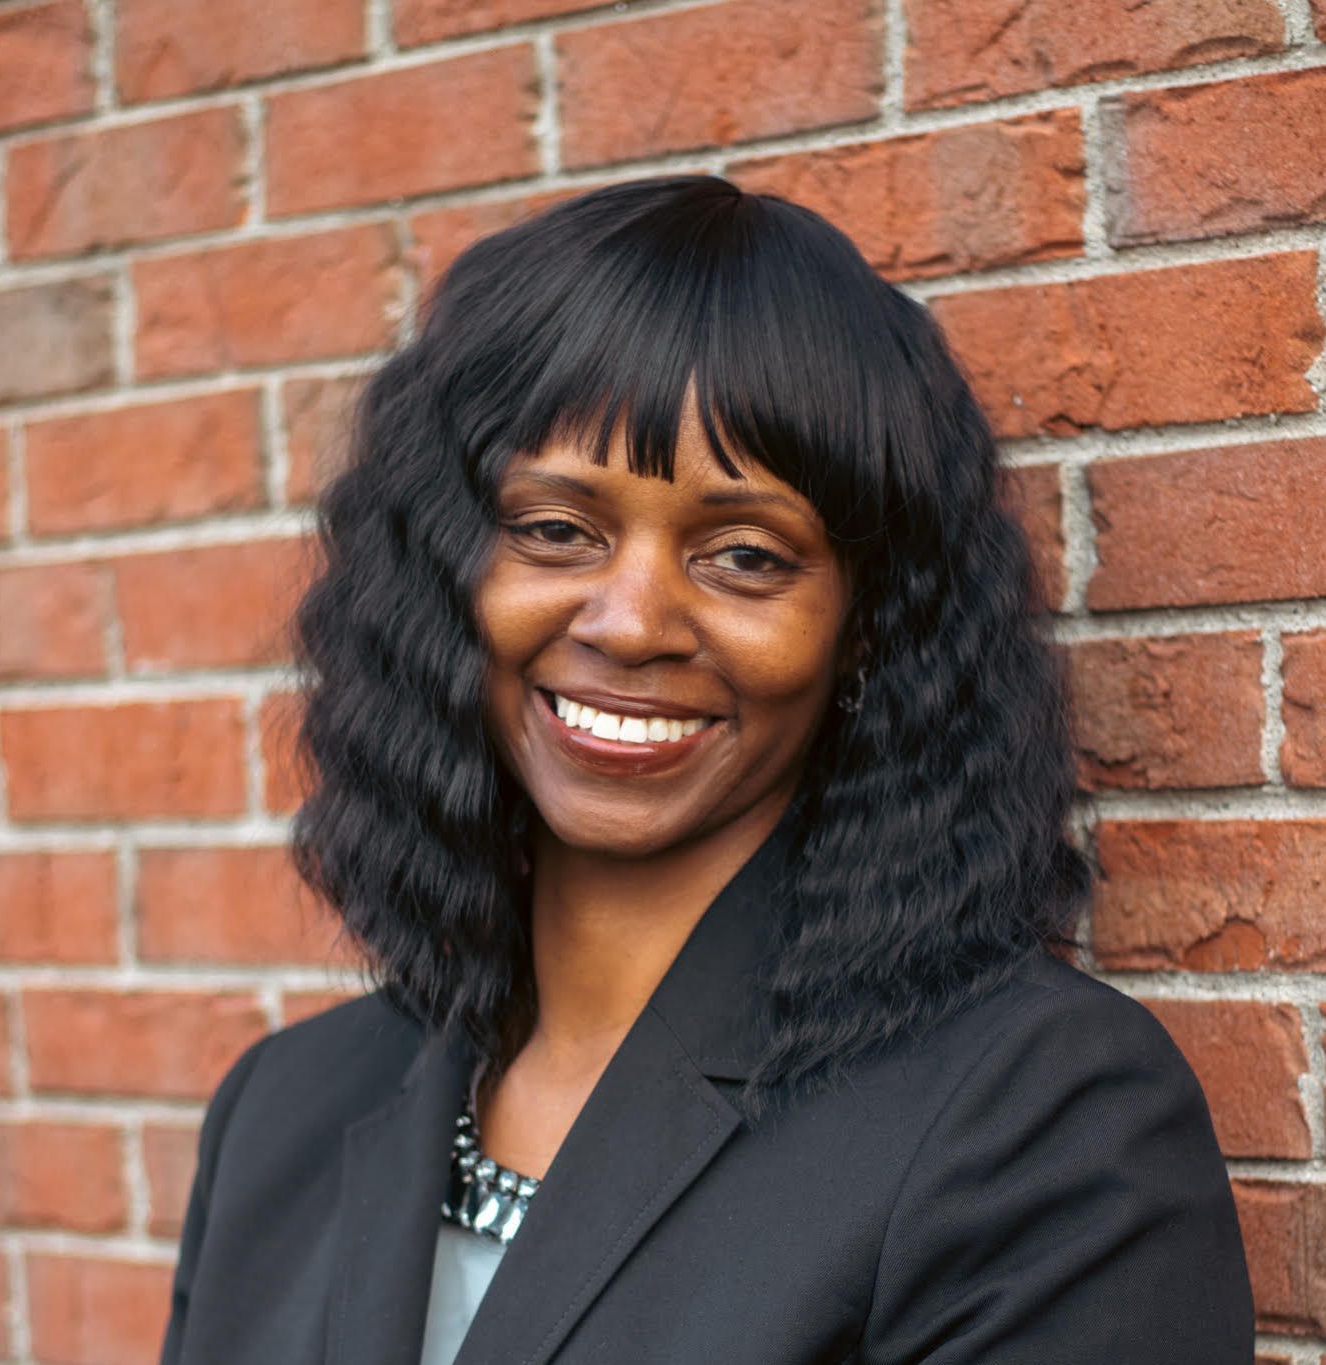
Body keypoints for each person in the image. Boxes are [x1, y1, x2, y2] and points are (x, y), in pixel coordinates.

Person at [158, 175, 1254, 1365]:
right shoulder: (282, 1113)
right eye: (556, 530)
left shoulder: (1036, 1121)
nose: (631, 623)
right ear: (445, 579)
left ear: (866, 625)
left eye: (743, 555)